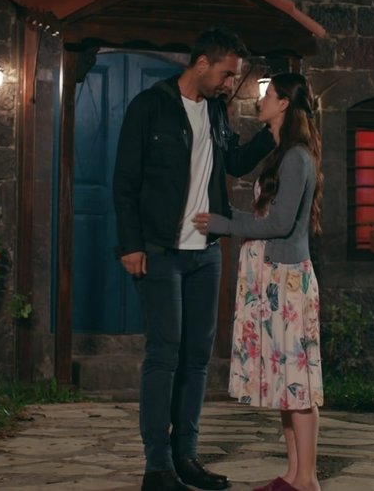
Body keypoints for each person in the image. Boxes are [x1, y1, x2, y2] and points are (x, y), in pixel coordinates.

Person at [113, 27, 276, 491]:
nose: (230, 84)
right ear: (201, 63)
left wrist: (274, 132)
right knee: (163, 355)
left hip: (205, 253)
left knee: (197, 359)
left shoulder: (217, 111)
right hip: (160, 252)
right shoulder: (150, 106)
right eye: (226, 74)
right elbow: (124, 181)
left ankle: (185, 456)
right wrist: (131, 244)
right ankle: (157, 466)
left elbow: (235, 163)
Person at [193, 73, 324, 491]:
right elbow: (271, 215)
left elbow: (281, 224)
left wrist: (227, 223)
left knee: (298, 385)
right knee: (287, 384)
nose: (260, 100)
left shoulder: (297, 157)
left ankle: (306, 479)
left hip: (288, 284)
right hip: (274, 282)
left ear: (284, 104)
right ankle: (293, 474)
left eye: (268, 95)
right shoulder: (281, 154)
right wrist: (229, 216)